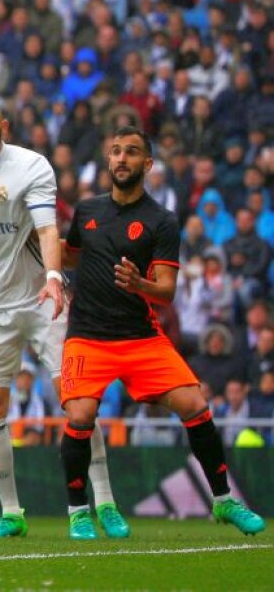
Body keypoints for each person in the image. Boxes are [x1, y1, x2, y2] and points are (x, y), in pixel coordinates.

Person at [0, 95, 126, 539]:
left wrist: (53, 275)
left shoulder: (32, 166)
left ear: (4, 126)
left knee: (77, 401)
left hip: (42, 301)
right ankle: (11, 512)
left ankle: (104, 502)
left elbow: (48, 227)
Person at [59, 126, 265, 540]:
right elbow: (68, 255)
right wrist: (36, 239)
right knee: (80, 415)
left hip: (140, 337)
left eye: (131, 152)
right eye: (115, 151)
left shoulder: (162, 221)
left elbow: (167, 292)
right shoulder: (86, 211)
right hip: (88, 336)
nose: (121, 159)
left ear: (147, 164)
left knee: (194, 403)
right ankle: (80, 512)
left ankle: (224, 500)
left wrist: (140, 285)